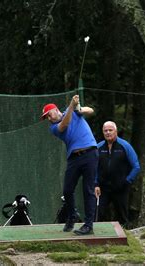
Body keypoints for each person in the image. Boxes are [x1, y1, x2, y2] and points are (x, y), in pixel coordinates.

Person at [41, 95, 98, 235]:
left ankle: (88, 225)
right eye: (46, 117)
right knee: (67, 190)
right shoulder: (54, 128)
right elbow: (64, 125)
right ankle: (72, 215)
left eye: (48, 115)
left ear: (55, 110)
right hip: (74, 158)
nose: (48, 119)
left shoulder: (72, 111)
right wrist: (72, 107)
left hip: (90, 153)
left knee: (88, 190)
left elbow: (91, 111)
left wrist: (80, 108)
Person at [95, 121, 140, 227]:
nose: (108, 133)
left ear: (116, 131)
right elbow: (93, 168)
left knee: (122, 216)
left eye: (110, 130)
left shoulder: (125, 146)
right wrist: (95, 184)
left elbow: (136, 166)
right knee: (98, 214)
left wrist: (127, 181)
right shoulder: (98, 147)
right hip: (103, 188)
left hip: (120, 188)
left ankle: (125, 239)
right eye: (105, 131)